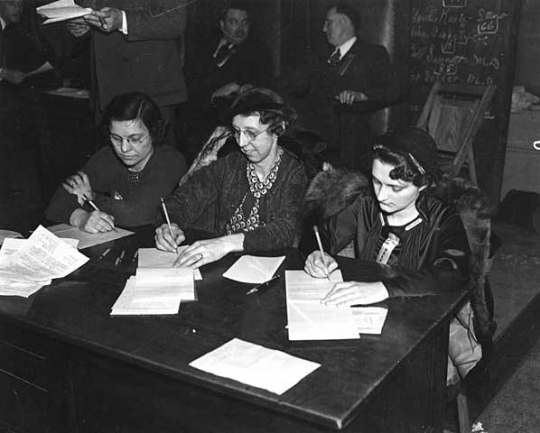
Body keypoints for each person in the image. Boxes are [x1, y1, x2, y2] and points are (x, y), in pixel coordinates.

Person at [303, 127, 491, 382]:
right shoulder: (365, 206)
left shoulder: (443, 219)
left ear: (423, 185)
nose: (381, 195)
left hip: (419, 323)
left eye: (395, 187)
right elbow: (324, 234)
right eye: (377, 181)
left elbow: (452, 273)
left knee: (417, 378)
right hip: (368, 318)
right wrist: (317, 254)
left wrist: (384, 288)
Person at [155, 87, 307, 268]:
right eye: (237, 131)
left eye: (251, 133)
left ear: (277, 129)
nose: (242, 143)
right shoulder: (231, 164)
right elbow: (186, 198)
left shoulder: (294, 172)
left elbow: (286, 230)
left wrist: (225, 243)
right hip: (227, 267)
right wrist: (169, 224)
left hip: (274, 273)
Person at [46, 92, 187, 233]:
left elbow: (136, 215)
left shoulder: (170, 161)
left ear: (154, 132)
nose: (124, 149)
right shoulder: (108, 156)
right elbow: (57, 202)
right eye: (116, 138)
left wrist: (91, 199)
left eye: (135, 139)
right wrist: (81, 217)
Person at [287, 3, 399, 170]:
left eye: (328, 22)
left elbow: (392, 89)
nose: (324, 29)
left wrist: (361, 95)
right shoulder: (320, 55)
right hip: (313, 136)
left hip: (348, 140)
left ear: (345, 22)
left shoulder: (372, 54)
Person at [67, 0, 188, 147]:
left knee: (156, 165)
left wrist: (123, 20)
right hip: (105, 89)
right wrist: (83, 23)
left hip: (150, 90)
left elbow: (175, 19)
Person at [183, 1, 273, 158]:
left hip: (227, 123)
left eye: (244, 22)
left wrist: (239, 87)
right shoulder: (203, 47)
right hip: (194, 117)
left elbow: (262, 85)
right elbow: (190, 82)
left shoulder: (259, 52)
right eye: (234, 22)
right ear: (222, 24)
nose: (240, 28)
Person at [0, 0, 57, 86]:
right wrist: (3, 73)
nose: (17, 8)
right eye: (11, 3)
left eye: (20, 4)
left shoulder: (12, 29)